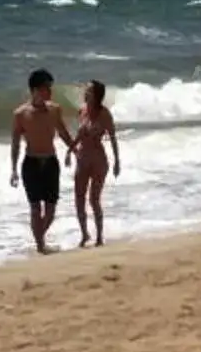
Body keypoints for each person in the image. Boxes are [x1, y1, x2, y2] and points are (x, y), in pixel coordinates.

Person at [9, 68, 75, 254]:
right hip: (31, 163)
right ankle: (40, 246)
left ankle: (39, 238)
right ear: (35, 90)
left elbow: (63, 133)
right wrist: (13, 170)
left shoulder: (54, 110)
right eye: (47, 88)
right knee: (36, 208)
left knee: (51, 210)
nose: (50, 92)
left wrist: (74, 150)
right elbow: (15, 144)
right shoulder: (20, 114)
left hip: (51, 162)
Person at [70, 78, 121, 247]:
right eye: (86, 89)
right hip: (82, 158)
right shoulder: (82, 110)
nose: (86, 91)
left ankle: (99, 236)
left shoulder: (104, 114)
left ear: (97, 95)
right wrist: (70, 151)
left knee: (94, 199)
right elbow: (79, 135)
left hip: (99, 160)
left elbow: (113, 138)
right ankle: (84, 234)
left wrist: (117, 161)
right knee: (78, 198)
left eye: (89, 90)